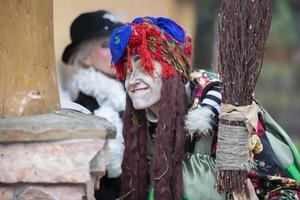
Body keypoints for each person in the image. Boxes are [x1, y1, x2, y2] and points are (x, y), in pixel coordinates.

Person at [109, 16, 300, 200]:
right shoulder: (139, 124)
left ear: (172, 69)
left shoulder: (227, 116)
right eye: (128, 71)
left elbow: (285, 189)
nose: (132, 80)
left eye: (145, 67)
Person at [61, 10, 125, 200]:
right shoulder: (81, 108)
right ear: (84, 57)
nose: (116, 50)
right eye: (106, 45)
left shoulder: (135, 90)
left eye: (119, 42)